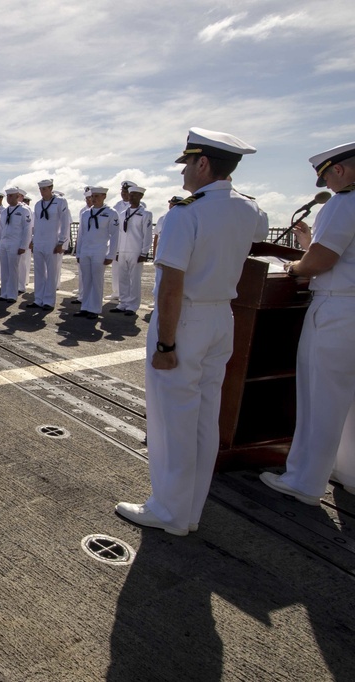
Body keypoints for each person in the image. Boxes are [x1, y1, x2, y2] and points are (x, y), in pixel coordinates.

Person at [116, 127, 268, 535]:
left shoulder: (187, 212)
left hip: (186, 320)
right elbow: (258, 235)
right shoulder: (250, 210)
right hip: (223, 318)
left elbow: (171, 286)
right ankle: (190, 510)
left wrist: (166, 343)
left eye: (187, 163)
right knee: (204, 417)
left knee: (171, 420)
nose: (183, 172)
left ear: (203, 164)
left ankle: (169, 511)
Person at [260, 141, 355, 505]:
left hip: (337, 310)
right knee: (350, 398)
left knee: (321, 397)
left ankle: (305, 480)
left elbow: (321, 262)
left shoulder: (344, 203)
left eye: (328, 177)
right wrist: (309, 243)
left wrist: (295, 265)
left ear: (340, 170)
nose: (328, 186)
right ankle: (348, 471)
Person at [74, 187, 119, 319]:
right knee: (86, 280)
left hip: (99, 251)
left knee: (97, 281)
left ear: (104, 196)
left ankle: (94, 309)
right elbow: (81, 234)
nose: (94, 199)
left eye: (97, 196)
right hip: (86, 251)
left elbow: (115, 235)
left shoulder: (111, 213)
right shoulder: (85, 214)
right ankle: (85, 306)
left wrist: (111, 254)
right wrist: (78, 252)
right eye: (93, 196)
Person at [28, 179, 71, 310]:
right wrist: (32, 239)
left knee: (52, 273)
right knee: (39, 272)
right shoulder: (38, 204)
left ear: (51, 188)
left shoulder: (60, 202)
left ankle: (49, 301)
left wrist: (62, 241)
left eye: (45, 189)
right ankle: (38, 299)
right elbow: (36, 224)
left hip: (52, 241)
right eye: (41, 189)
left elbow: (65, 223)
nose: (42, 192)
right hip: (39, 241)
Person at [111, 185, 153, 315]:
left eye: (135, 195)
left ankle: (133, 305)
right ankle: (123, 302)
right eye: (130, 194)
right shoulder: (123, 214)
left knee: (134, 279)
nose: (131, 197)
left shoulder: (145, 214)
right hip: (123, 250)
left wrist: (144, 252)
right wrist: (117, 251)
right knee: (122, 277)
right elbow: (119, 234)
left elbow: (147, 234)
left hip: (135, 250)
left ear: (141, 197)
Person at [0, 188, 32, 303]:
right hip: (4, 243)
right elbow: (0, 229)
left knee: (13, 269)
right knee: (5, 269)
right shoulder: (4, 211)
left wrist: (23, 245)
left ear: (17, 196)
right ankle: (4, 293)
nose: (9, 198)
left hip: (15, 243)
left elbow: (27, 229)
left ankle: (12, 294)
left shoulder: (24, 210)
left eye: (11, 196)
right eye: (8, 196)